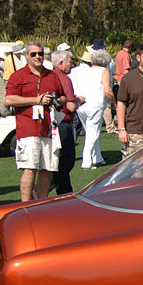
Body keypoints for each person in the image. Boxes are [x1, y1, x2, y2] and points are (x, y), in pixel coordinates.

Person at [6, 40, 70, 201]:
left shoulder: (52, 75)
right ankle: (25, 204)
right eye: (33, 54)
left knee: (47, 168)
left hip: (49, 129)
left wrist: (57, 100)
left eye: (40, 54)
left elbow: (62, 96)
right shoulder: (18, 76)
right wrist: (36, 100)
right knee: (30, 168)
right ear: (27, 56)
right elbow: (9, 100)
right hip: (28, 128)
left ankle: (41, 203)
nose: (37, 57)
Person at [48, 50, 80, 194]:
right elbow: (71, 105)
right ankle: (43, 188)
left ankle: (65, 193)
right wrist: (79, 100)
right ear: (61, 63)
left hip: (52, 122)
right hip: (64, 122)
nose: (71, 64)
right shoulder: (64, 78)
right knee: (67, 161)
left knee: (59, 160)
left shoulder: (49, 76)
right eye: (69, 61)